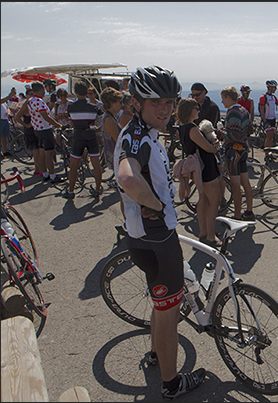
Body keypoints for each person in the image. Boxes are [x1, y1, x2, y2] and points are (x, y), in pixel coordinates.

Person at [114, 65, 205, 400]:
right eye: (156, 103)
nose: (165, 109)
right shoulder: (138, 138)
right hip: (158, 240)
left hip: (141, 239)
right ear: (137, 103)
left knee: (159, 301)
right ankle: (172, 383)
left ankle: (155, 354)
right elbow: (127, 177)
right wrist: (156, 206)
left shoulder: (139, 132)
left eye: (169, 102)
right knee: (169, 314)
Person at [177, 99, 223, 246]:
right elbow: (207, 148)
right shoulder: (192, 128)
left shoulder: (182, 127)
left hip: (198, 167)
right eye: (196, 108)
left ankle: (204, 231)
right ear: (189, 110)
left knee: (203, 199)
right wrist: (215, 146)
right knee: (214, 201)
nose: (198, 110)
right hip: (206, 167)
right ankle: (210, 236)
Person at [63, 81, 105, 199]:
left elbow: (71, 121)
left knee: (74, 165)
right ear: (87, 92)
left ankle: (71, 191)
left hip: (78, 136)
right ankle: (97, 189)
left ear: (75, 92)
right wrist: (97, 128)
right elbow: (102, 117)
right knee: (96, 165)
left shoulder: (71, 107)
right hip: (91, 136)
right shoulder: (94, 107)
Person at [220, 86, 255, 221]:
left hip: (234, 151)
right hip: (244, 150)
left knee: (235, 185)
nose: (222, 102)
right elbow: (249, 129)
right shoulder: (243, 110)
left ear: (229, 97)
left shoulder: (233, 112)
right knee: (245, 182)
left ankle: (237, 215)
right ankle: (249, 211)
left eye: (223, 98)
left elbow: (234, 135)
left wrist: (221, 132)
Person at [28, 81, 66, 183]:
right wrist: (59, 125)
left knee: (41, 154)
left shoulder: (30, 100)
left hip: (37, 129)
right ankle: (53, 176)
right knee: (49, 155)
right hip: (45, 129)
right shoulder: (39, 101)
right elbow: (45, 116)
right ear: (41, 90)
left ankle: (45, 174)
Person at [13, 87, 45, 175]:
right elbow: (17, 117)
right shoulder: (27, 104)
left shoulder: (33, 103)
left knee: (38, 151)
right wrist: (26, 125)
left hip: (35, 128)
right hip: (31, 130)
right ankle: (40, 170)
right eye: (30, 94)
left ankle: (38, 169)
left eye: (33, 94)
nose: (32, 96)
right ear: (26, 95)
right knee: (37, 151)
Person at [100, 87, 124, 187]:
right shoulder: (109, 119)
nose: (121, 105)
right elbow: (118, 140)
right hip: (116, 156)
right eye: (119, 102)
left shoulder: (112, 116)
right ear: (112, 103)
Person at [1, 87, 17, 157]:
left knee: (4, 137)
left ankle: (5, 152)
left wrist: (8, 113)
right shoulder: (3, 99)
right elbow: (2, 101)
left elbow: (6, 106)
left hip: (4, 119)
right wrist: (10, 96)